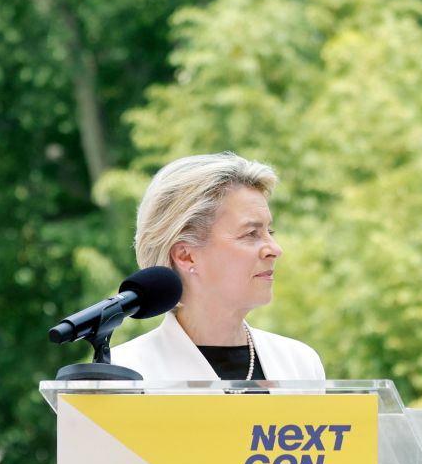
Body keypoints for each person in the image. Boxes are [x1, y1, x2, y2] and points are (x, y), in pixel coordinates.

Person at [111, 152, 324, 381]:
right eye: (251, 233)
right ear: (186, 256)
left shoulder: (300, 364)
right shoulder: (125, 372)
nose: (275, 249)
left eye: (269, 232)